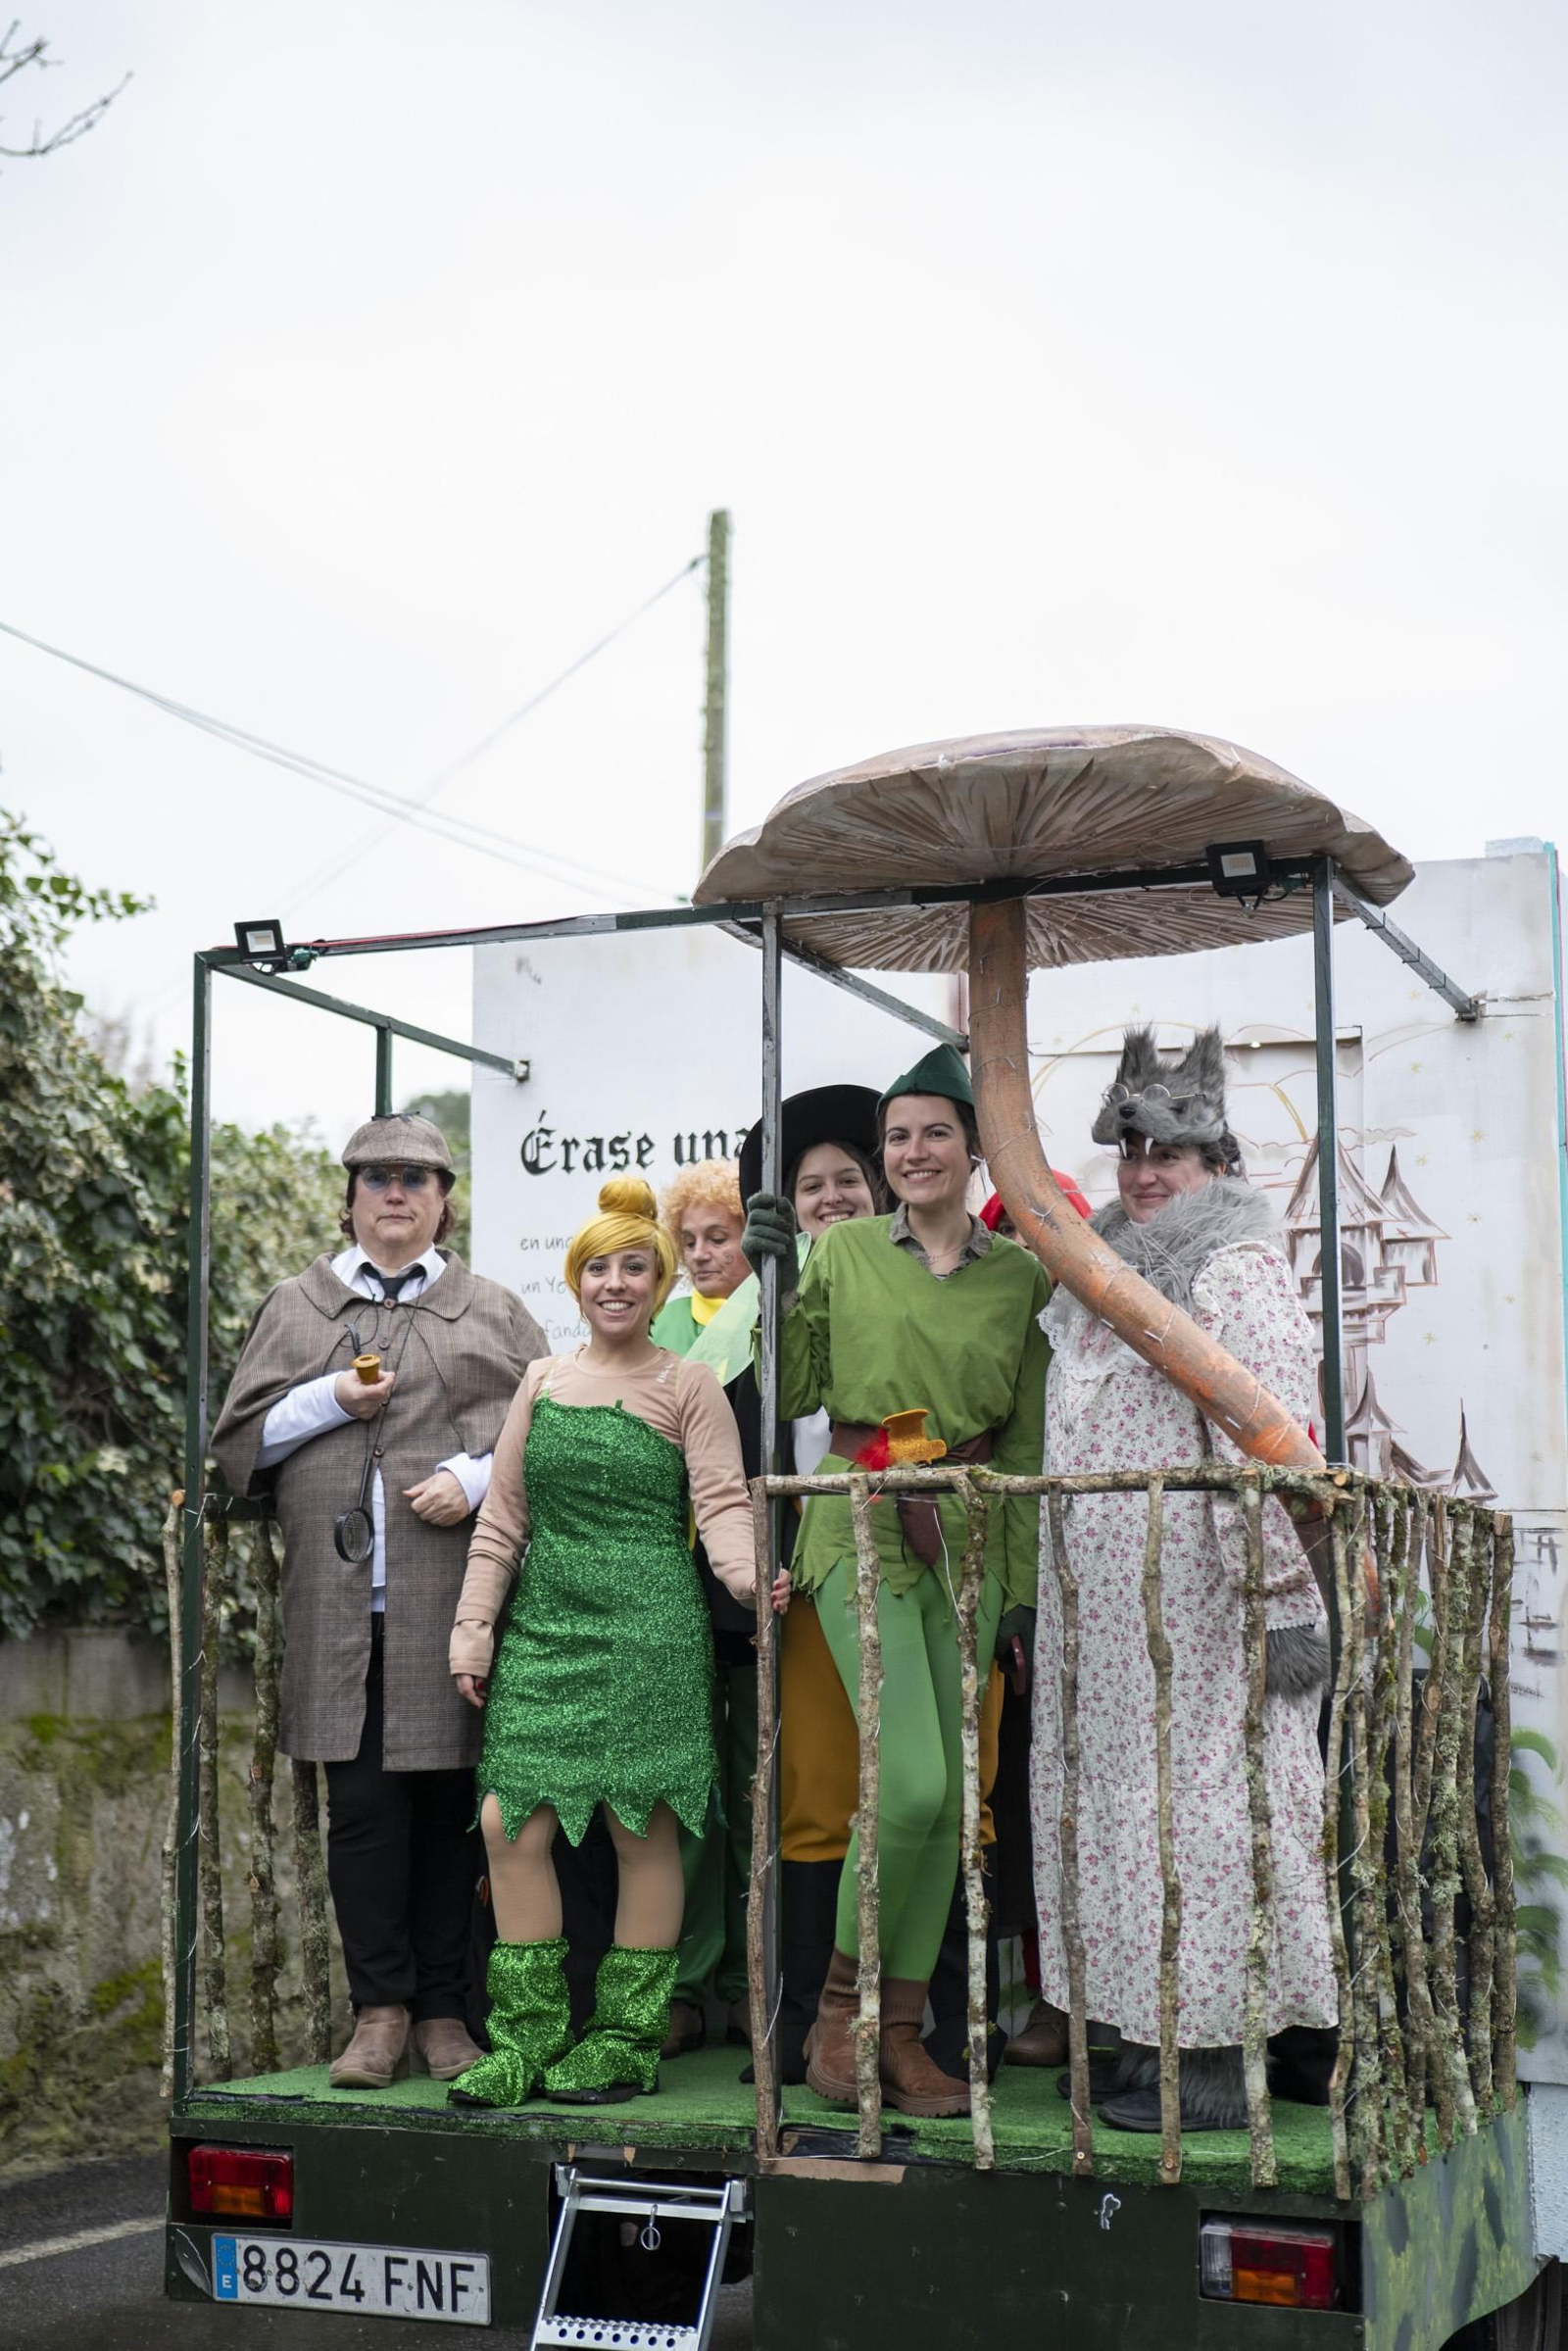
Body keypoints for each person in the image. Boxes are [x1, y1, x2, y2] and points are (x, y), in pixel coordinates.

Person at [1030, 1027, 1337, 2131]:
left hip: (1205, 1604)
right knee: (1117, 1816)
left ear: (1216, 1162)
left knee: (1209, 1816)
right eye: (1131, 1150)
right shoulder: (1095, 1271)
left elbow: (1268, 1443)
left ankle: (1213, 2052)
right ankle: (1141, 2026)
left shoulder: (1232, 1267)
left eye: (1171, 1152)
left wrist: (1277, 1607)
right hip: (1104, 1611)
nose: (1146, 1169)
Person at [744, 1043, 1051, 2119]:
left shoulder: (1022, 1276)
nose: (913, 1151)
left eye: (934, 1131)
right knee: (913, 1785)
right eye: (898, 1136)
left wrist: (1014, 1588)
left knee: (956, 1801)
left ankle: (898, 2035)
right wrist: (773, 1276)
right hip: (857, 1514)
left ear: (976, 1147)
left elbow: (1021, 1447)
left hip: (967, 1528)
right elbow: (800, 1383)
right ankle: (839, 2019)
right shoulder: (843, 1254)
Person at [212, 1113, 546, 2090]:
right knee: (359, 1812)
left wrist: (476, 1479)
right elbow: (239, 1440)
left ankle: (445, 2011)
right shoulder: (296, 1304)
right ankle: (378, 2011)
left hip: (452, 1600)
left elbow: (547, 1431)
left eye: (415, 1176)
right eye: (375, 1176)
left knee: (451, 1807)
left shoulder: (489, 1309)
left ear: (445, 1198)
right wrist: (331, 1400)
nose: (393, 1192)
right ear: (350, 1196)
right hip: (338, 1603)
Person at [445, 1177, 789, 2109]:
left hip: (651, 1631)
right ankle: (525, 2039)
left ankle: (627, 2037)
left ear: (659, 1281)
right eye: (599, 1266)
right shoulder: (542, 1380)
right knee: (507, 1821)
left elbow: (720, 1505)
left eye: (636, 1267)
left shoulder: (690, 1384)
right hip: (547, 1629)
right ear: (576, 1279)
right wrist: (474, 1632)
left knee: (646, 1830)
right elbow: (502, 1520)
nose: (616, 1283)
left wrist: (754, 1580)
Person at [665, 1087, 885, 2068]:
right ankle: (801, 2011)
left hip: (907, 1556)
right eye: (809, 1184)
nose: (829, 1196)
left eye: (847, 1178)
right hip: (796, 1575)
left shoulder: (915, 1281)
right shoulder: (759, 1307)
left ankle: (913, 2012)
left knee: (914, 1791)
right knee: (803, 1791)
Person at [651, 1159, 749, 1354]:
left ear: (752, 1237)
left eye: (717, 1239)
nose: (698, 1255)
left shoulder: (778, 1320)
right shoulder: (661, 1323)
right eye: (689, 1243)